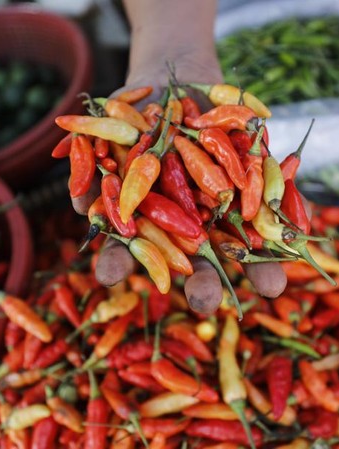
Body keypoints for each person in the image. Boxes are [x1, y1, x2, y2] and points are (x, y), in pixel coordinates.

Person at [69, 0, 290, 314]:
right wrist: (168, 51)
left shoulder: (187, 144)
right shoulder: (160, 149)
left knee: (179, 166)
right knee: (170, 166)